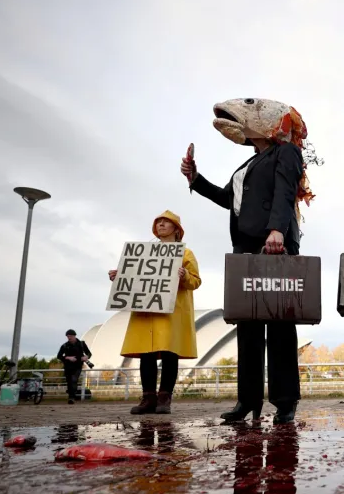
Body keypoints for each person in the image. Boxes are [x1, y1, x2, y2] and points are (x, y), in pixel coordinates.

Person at [183, 98, 317, 424]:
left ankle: (285, 402)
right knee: (248, 327)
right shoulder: (248, 163)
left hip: (275, 244)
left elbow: (285, 192)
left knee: (281, 324)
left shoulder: (286, 152)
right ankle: (248, 400)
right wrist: (195, 178)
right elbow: (227, 199)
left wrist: (277, 230)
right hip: (245, 248)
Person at [109, 210, 201, 415]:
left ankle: (164, 398)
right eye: (158, 222)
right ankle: (148, 398)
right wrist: (120, 276)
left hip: (171, 312)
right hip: (147, 311)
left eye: (166, 222)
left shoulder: (185, 253)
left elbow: (195, 282)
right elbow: (134, 277)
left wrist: (185, 275)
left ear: (177, 229)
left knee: (170, 353)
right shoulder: (144, 253)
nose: (161, 224)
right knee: (146, 354)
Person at [56, 329, 92, 404]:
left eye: (70, 336)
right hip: (68, 366)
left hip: (78, 366)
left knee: (74, 380)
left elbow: (89, 353)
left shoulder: (82, 344)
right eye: (68, 336)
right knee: (69, 382)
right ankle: (71, 396)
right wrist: (68, 358)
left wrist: (86, 357)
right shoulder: (65, 345)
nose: (69, 338)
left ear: (74, 336)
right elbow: (59, 356)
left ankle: (71, 397)